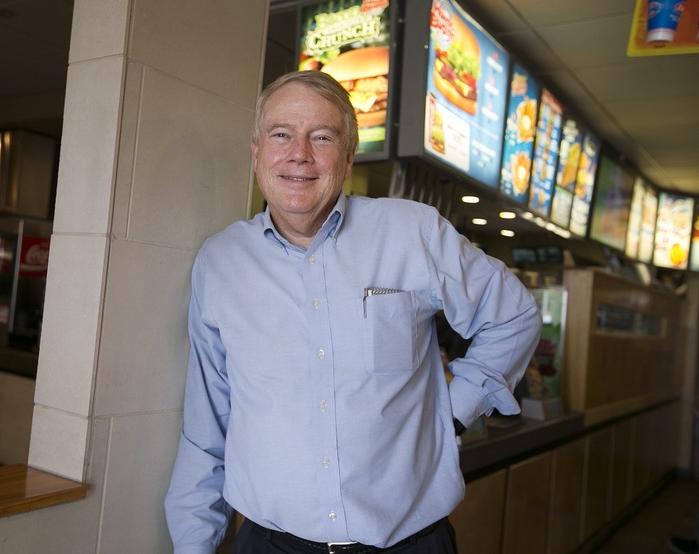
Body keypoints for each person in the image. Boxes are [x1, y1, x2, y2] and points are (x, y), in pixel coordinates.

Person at [165, 70, 542, 553]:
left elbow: (512, 315)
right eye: (281, 135)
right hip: (269, 544)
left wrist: (451, 416)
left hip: (409, 544)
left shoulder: (412, 233)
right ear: (256, 151)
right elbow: (206, 427)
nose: (299, 153)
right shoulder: (219, 264)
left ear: (346, 159)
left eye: (321, 137)